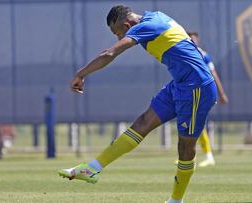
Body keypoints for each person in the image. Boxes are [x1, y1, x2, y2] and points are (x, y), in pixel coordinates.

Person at [57, 5, 217, 203]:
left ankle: (176, 200)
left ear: (127, 24)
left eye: (118, 33)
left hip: (197, 88)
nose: (119, 38)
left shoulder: (146, 26)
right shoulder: (156, 16)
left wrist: (80, 74)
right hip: (179, 84)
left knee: (185, 147)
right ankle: (92, 168)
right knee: (142, 123)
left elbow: (109, 54)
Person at [187, 32, 229, 167]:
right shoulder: (184, 52)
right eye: (190, 38)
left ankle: (207, 156)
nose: (192, 40)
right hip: (190, 91)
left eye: (194, 38)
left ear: (197, 40)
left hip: (202, 91)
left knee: (196, 123)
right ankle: (193, 155)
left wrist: (221, 93)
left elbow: (213, 74)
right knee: (190, 122)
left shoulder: (202, 55)